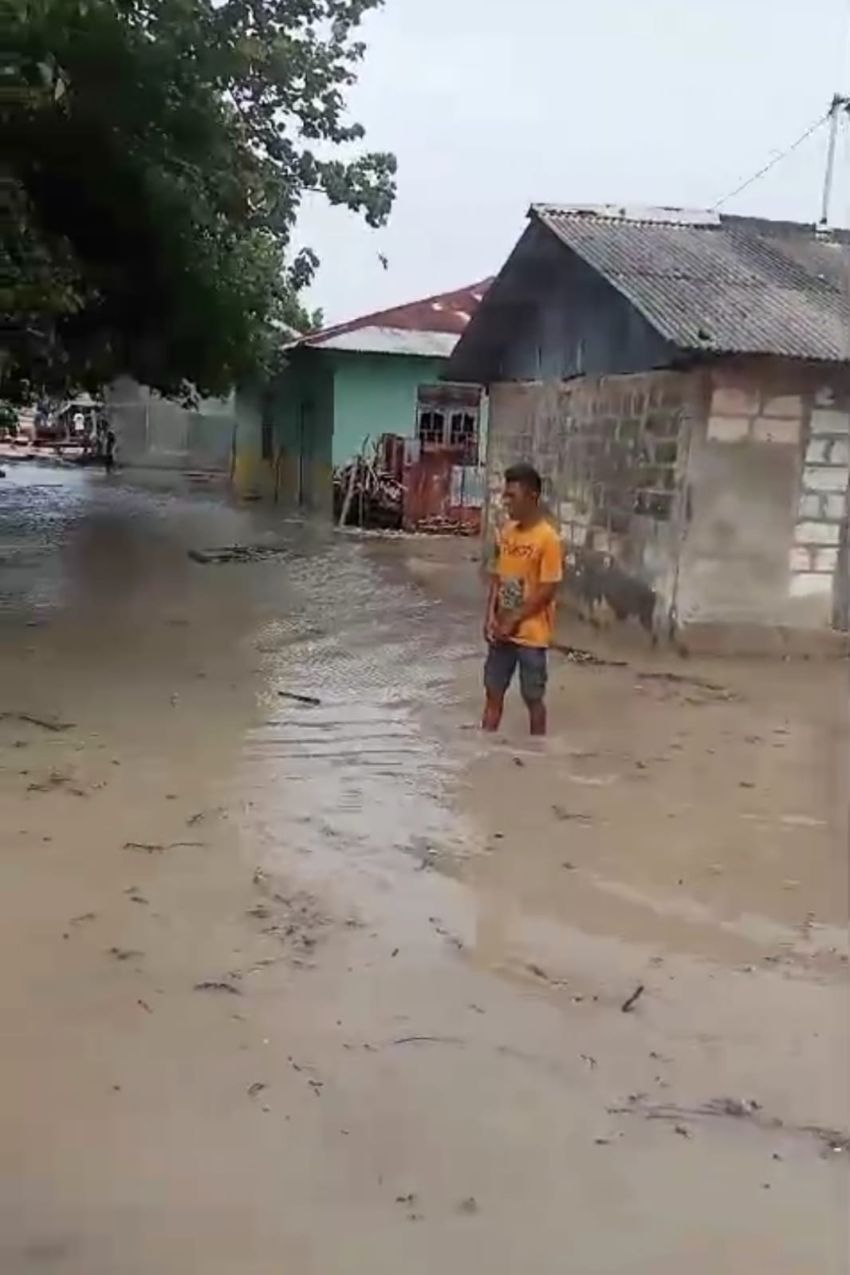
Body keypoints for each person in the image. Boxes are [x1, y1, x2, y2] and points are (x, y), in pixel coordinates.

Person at [482, 463, 563, 736]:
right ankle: (484, 746)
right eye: (505, 496)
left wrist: (514, 619)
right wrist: (491, 617)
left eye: (512, 496)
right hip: (502, 631)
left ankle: (536, 753)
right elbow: (498, 577)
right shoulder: (506, 533)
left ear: (532, 497)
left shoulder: (548, 539)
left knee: (533, 698)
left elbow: (548, 589)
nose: (506, 503)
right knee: (493, 692)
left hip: (531, 635)